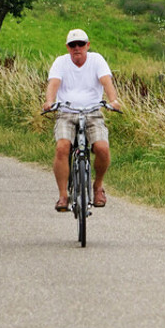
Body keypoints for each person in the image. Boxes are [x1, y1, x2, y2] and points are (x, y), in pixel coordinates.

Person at [43, 28, 121, 212]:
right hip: (67, 113)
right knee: (62, 147)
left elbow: (106, 81)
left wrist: (113, 101)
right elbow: (53, 83)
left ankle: (98, 186)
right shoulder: (60, 62)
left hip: (92, 112)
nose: (77, 48)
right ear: (68, 47)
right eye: (72, 45)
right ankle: (63, 195)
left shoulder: (97, 60)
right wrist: (49, 102)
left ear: (88, 45)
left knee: (102, 148)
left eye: (80, 44)